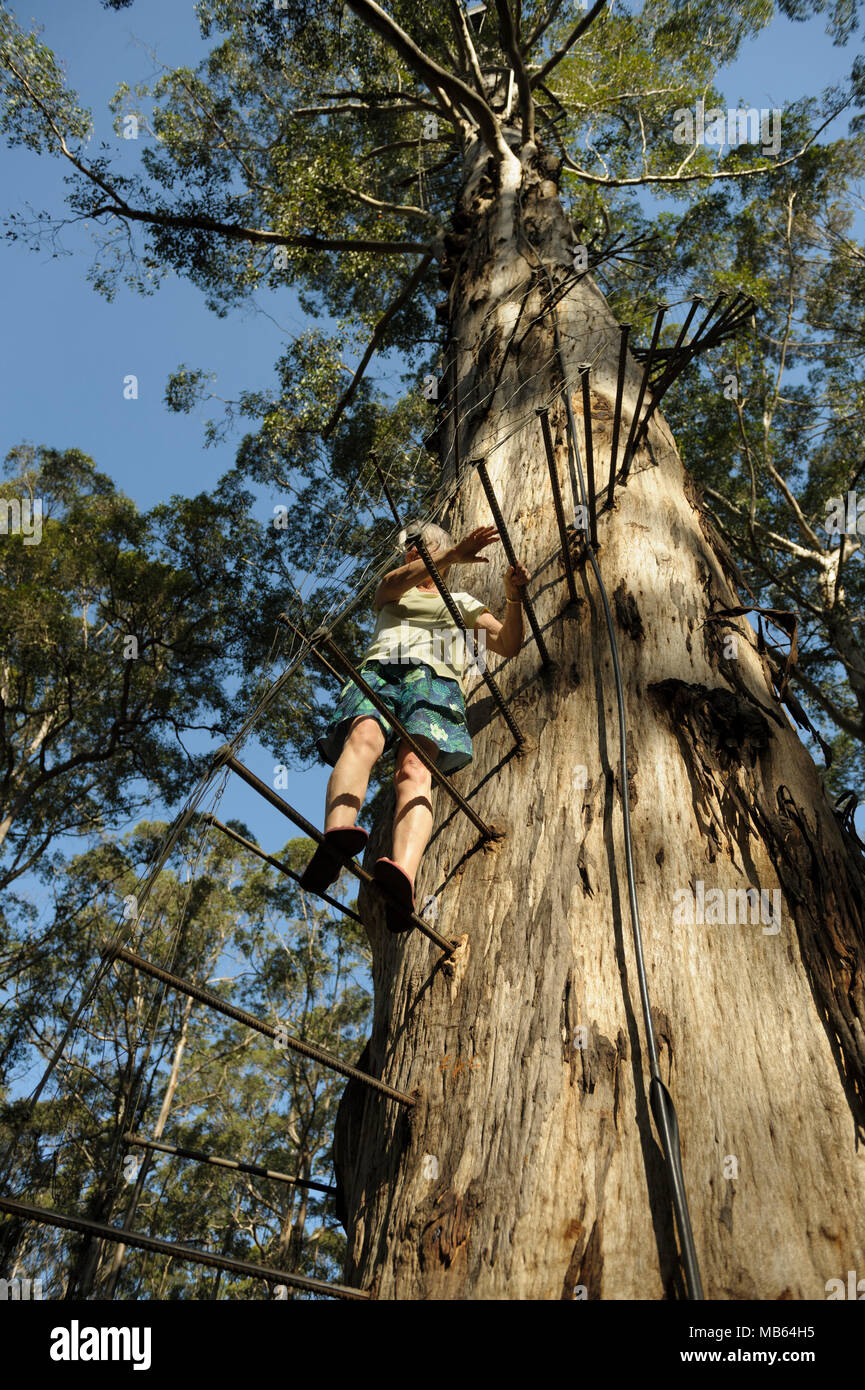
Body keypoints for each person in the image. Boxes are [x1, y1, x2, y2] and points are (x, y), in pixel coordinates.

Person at [300, 520, 530, 930]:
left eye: (421, 546)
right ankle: (337, 837)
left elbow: (509, 645)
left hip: (436, 681)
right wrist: (452, 554)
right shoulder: (393, 589)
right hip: (381, 671)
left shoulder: (462, 601)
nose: (412, 552)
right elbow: (390, 582)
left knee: (414, 770)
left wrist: (514, 599)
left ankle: (402, 875)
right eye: (409, 547)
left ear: (439, 552)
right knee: (363, 737)